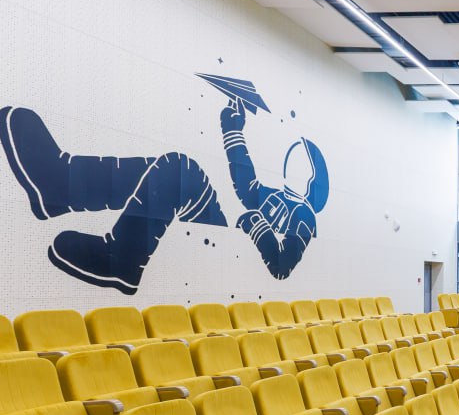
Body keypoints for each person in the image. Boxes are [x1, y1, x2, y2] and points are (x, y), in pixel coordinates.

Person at [0, 106, 226, 295]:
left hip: (229, 241)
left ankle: (123, 257)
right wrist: (232, 128)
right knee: (174, 173)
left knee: (180, 171)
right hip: (228, 234)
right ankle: (60, 183)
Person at [220, 101, 328, 280]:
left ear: (311, 178)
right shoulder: (276, 196)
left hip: (246, 272)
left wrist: (257, 225)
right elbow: (247, 186)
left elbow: (282, 266)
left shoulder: (305, 217)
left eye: (299, 164)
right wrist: (233, 132)